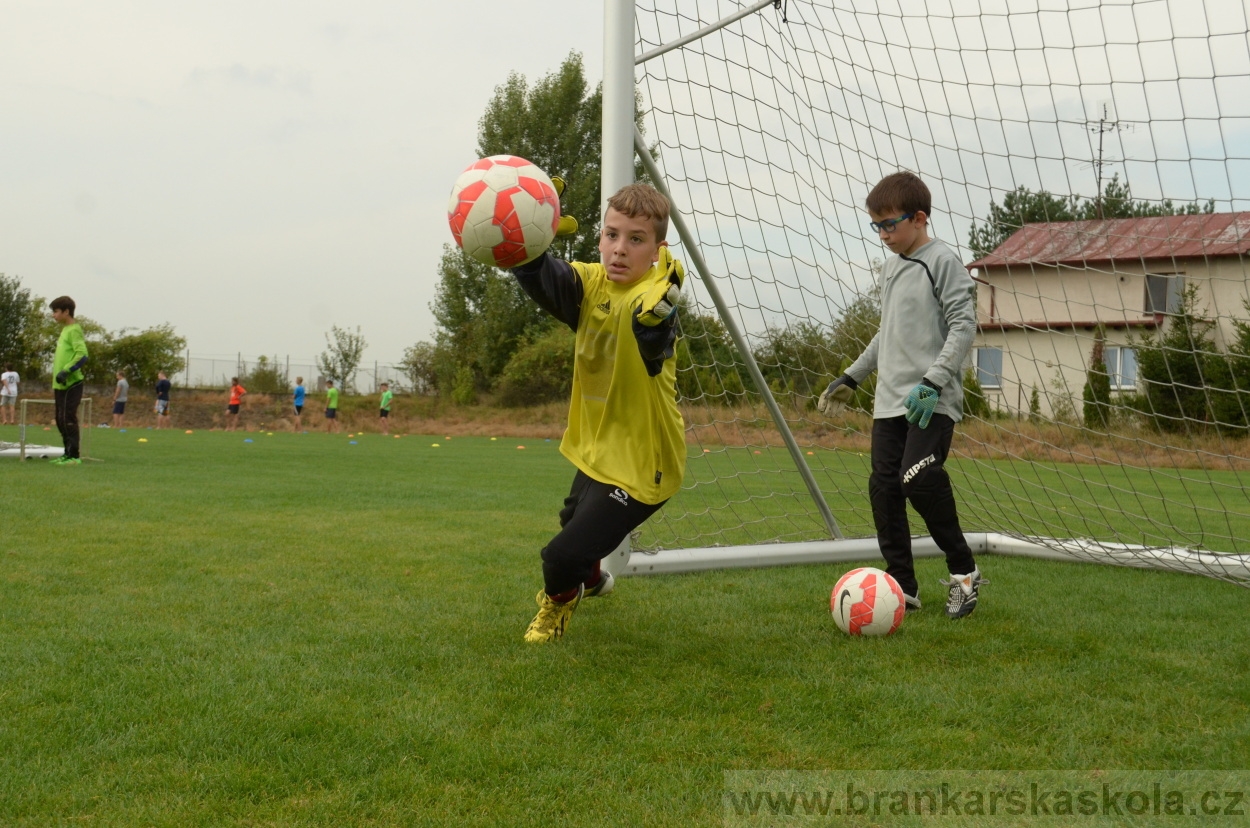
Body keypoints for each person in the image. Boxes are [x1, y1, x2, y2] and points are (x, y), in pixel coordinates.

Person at [509, 182, 686, 643]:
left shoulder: (655, 297)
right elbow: (546, 279)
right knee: (574, 527)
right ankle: (593, 581)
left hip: (644, 462)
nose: (619, 250)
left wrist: (656, 331)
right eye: (611, 235)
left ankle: (556, 605)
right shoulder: (591, 283)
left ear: (657, 249)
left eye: (635, 239)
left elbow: (653, 334)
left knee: (560, 555)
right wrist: (528, 241)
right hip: (599, 449)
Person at [817, 171, 986, 619]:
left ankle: (964, 572)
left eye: (890, 224)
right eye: (877, 226)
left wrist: (933, 381)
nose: (884, 234)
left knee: (919, 478)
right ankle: (901, 586)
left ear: (920, 218)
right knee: (884, 488)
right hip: (888, 403)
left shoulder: (942, 260)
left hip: (931, 400)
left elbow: (964, 325)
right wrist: (852, 377)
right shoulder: (893, 267)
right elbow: (885, 332)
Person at [49, 296, 88, 465]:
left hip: (71, 383)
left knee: (68, 418)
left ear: (66, 312)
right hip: (59, 384)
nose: (53, 315)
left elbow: (82, 355)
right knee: (59, 419)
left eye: (56, 311)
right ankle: (66, 453)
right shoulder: (64, 330)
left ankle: (74, 456)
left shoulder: (74, 330)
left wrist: (66, 371)